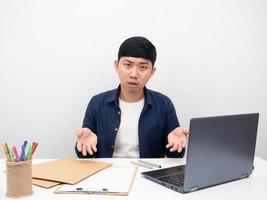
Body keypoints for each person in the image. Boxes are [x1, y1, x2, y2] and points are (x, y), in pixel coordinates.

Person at [75, 36, 189, 158]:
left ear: (152, 72)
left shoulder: (164, 104)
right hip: (106, 173)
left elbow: (174, 157)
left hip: (147, 173)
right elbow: (85, 156)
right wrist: (82, 146)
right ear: (116, 65)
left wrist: (177, 146)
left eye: (143, 67)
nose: (134, 74)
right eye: (128, 65)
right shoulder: (97, 103)